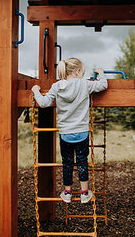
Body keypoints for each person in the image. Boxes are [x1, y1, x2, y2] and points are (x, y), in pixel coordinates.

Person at [31, 58, 107, 203]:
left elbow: (44, 103)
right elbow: (103, 85)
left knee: (67, 162)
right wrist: (101, 73)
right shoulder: (84, 84)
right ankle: (85, 193)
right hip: (82, 132)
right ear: (78, 71)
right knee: (82, 162)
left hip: (65, 133)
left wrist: (36, 92)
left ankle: (67, 193)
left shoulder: (56, 86)